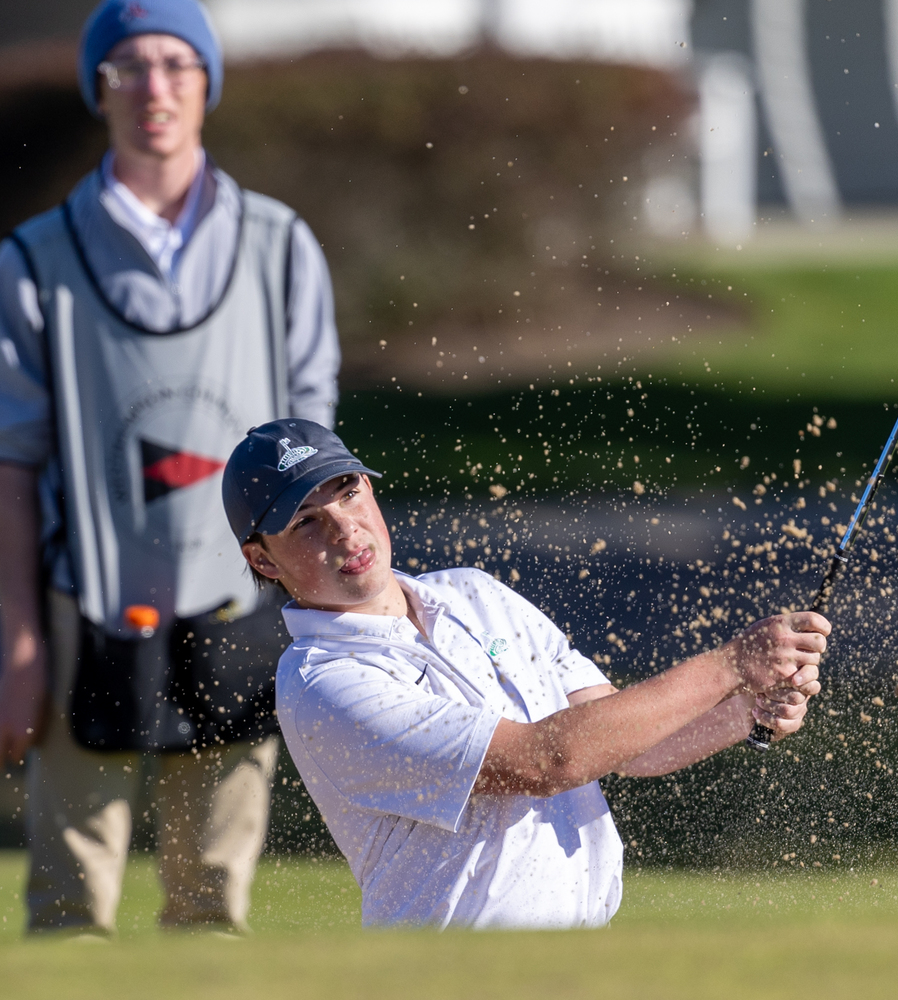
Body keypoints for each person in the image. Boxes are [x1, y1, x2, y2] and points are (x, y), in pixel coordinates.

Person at [0, 0, 340, 933]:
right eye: (128, 67)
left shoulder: (278, 249)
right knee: (66, 912)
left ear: (206, 85)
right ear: (98, 89)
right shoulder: (35, 260)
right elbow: (10, 464)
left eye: (177, 65)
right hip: (83, 608)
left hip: (241, 603)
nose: (154, 87)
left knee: (213, 914)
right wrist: (18, 642)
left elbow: (316, 463)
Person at [222, 419, 827, 929]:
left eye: (348, 491)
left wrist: (746, 713)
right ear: (261, 558)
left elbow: (631, 749)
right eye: (305, 520)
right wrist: (728, 667)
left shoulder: (472, 593)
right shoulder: (323, 684)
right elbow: (546, 762)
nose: (345, 527)